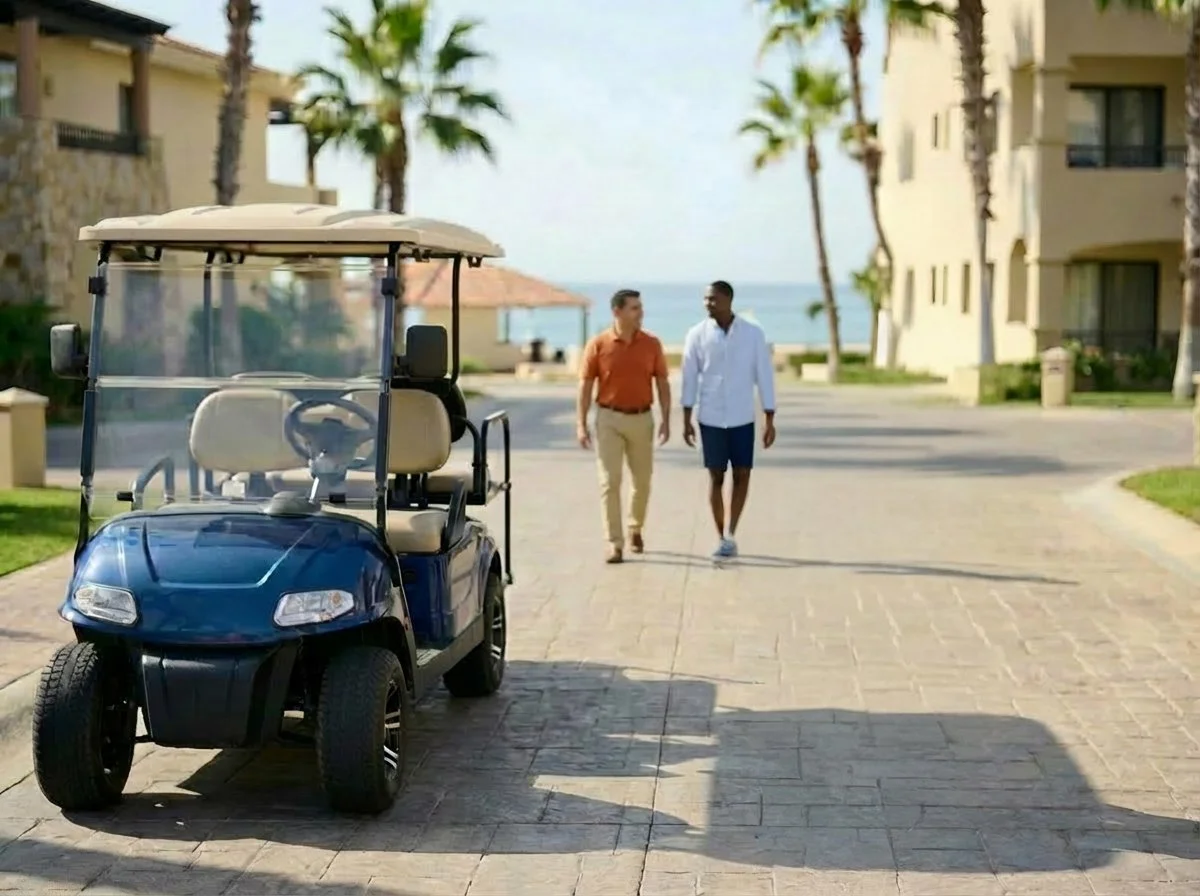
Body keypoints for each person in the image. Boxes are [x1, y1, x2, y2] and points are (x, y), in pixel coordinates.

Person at [680, 280, 776, 561]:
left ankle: (732, 532)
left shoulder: (752, 334)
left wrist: (770, 417)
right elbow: (688, 378)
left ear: (728, 300)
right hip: (710, 416)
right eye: (705, 299)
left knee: (743, 474)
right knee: (716, 476)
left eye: (713, 299)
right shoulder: (696, 335)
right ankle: (721, 534)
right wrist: (686, 417)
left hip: (742, 416)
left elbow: (764, 375)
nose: (708, 303)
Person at [577, 288, 671, 564]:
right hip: (609, 418)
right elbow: (585, 386)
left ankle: (635, 528)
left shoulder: (652, 344)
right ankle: (614, 543)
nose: (640, 313)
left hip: (642, 418)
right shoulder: (598, 344)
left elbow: (663, 382)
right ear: (617, 312)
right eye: (634, 308)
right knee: (610, 482)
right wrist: (580, 424)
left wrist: (666, 419)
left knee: (642, 482)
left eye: (640, 308)